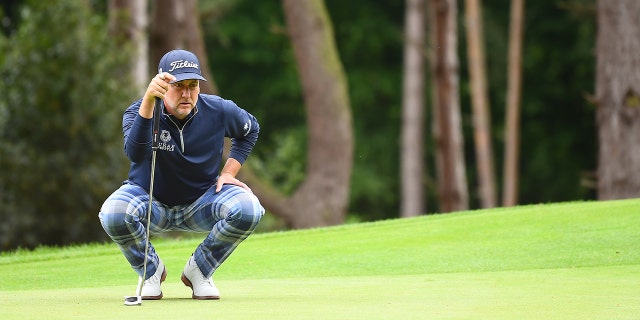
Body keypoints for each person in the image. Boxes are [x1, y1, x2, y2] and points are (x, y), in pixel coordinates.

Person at [99, 49, 264, 300]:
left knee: (249, 207)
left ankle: (199, 270)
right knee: (113, 213)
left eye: (193, 85)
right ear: (163, 85)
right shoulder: (138, 111)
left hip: (201, 202)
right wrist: (148, 102)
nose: (187, 94)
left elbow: (250, 130)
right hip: (150, 200)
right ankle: (151, 271)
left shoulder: (218, 110)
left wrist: (229, 171)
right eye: (179, 86)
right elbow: (135, 152)